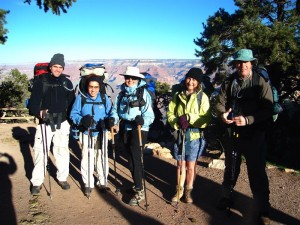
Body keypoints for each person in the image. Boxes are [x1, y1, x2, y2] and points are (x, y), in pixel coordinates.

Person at [214, 49, 273, 225]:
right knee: (231, 168)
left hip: (255, 136)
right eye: (239, 62)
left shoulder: (260, 82)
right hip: (234, 134)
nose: (242, 65)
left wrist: (249, 120)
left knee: (257, 172)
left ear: (252, 63)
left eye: (245, 62)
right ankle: (227, 197)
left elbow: (268, 109)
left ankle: (263, 208)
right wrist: (222, 115)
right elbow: (220, 102)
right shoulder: (230, 82)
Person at [107, 66, 154, 206]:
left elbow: (150, 114)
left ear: (138, 79)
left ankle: (140, 190)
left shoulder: (143, 93)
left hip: (139, 128)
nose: (129, 80)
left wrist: (143, 120)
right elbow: (115, 110)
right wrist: (113, 119)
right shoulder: (122, 93)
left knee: (135, 159)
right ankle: (136, 184)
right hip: (125, 127)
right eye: (127, 77)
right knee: (130, 158)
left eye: (132, 78)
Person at [29, 53, 75, 195]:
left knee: (62, 151)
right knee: (40, 151)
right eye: (55, 66)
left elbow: (72, 103)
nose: (58, 69)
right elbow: (32, 104)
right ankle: (37, 182)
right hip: (45, 123)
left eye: (60, 67)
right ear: (50, 66)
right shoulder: (40, 82)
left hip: (62, 122)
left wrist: (71, 119)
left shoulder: (67, 83)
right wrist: (40, 113)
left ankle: (62, 178)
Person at [167, 68, 211, 204]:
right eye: (189, 78)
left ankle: (188, 192)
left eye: (194, 79)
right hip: (180, 134)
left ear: (198, 82)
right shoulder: (178, 95)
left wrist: (189, 118)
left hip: (194, 135)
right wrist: (177, 122)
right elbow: (170, 113)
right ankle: (178, 191)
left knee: (191, 166)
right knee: (180, 164)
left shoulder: (202, 97)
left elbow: (206, 118)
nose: (190, 82)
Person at [70, 74, 112, 195]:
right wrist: (82, 120)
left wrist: (110, 121)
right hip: (86, 132)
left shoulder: (104, 98)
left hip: (101, 132)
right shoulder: (81, 98)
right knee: (87, 157)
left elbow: (111, 113)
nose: (93, 90)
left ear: (100, 87)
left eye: (96, 87)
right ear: (87, 87)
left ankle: (102, 181)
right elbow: (73, 114)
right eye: (91, 87)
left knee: (102, 156)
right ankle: (88, 183)